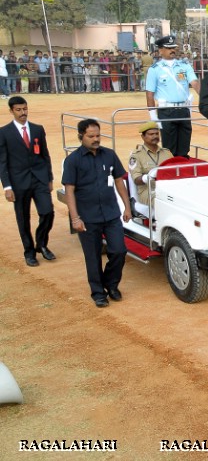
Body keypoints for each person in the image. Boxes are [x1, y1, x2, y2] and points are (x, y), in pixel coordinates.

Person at [62, 119, 132, 307]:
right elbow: (69, 190)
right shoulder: (73, 160)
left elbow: (119, 181)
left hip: (111, 214)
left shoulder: (109, 155)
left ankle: (111, 283)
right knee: (92, 256)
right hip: (87, 218)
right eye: (91, 136)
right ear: (80, 136)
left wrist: (127, 206)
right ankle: (98, 292)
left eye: (98, 135)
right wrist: (75, 218)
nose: (95, 139)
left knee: (119, 251)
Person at [0, 96, 55, 266]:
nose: (23, 112)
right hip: (18, 182)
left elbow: (45, 155)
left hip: (39, 179)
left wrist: (49, 178)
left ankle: (42, 244)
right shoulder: (4, 132)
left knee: (48, 212)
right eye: (18, 110)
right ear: (11, 111)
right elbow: (2, 162)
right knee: (23, 219)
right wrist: (7, 186)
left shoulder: (38, 129)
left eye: (25, 109)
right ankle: (29, 251)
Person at [145, 35, 200, 158]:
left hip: (184, 110)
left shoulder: (184, 66)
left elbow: (195, 83)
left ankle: (183, 173)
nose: (172, 50)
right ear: (160, 50)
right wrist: (153, 117)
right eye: (168, 48)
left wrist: (207, 98)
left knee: (184, 148)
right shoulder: (155, 69)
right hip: (166, 111)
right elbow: (149, 94)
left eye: (173, 47)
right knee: (169, 150)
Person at [127, 121, 172, 218]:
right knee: (165, 200)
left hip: (167, 188)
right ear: (143, 137)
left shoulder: (166, 153)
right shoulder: (136, 155)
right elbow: (136, 179)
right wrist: (147, 177)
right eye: (151, 134)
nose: (155, 136)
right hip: (148, 191)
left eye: (157, 134)